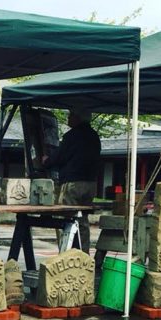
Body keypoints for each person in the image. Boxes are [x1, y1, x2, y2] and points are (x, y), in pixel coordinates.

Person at [42, 108, 101, 254]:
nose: (68, 118)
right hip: (90, 183)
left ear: (78, 117)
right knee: (82, 220)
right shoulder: (94, 136)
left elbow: (59, 157)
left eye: (71, 115)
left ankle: (67, 255)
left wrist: (46, 161)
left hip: (73, 182)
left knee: (68, 219)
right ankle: (84, 253)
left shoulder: (71, 136)